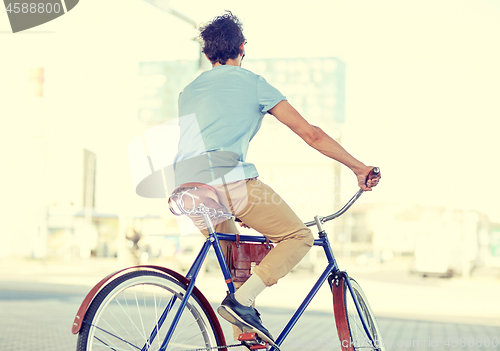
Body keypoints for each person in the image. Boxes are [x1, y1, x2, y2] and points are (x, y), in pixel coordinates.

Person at [173, 11, 381, 345]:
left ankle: (246, 333)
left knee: (238, 265)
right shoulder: (253, 83)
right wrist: (358, 167)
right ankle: (241, 303)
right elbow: (310, 134)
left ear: (207, 53)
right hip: (228, 180)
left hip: (186, 189)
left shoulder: (187, 91)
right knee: (297, 237)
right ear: (242, 47)